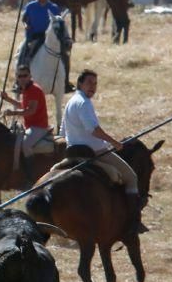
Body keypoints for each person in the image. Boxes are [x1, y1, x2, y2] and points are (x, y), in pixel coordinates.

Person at [60, 69, 146, 236]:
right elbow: (93, 130)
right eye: (89, 83)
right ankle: (133, 222)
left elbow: (63, 132)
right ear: (80, 83)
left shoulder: (71, 102)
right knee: (131, 177)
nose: (93, 87)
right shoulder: (84, 103)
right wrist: (115, 143)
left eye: (95, 83)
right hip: (94, 152)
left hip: (73, 152)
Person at [1, 65, 51, 185]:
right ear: (17, 78)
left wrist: (12, 112)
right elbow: (23, 106)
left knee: (25, 144)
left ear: (30, 76)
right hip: (30, 126)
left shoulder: (34, 90)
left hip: (39, 127)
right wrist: (7, 99)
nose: (22, 78)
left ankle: (31, 175)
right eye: (19, 76)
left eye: (25, 75)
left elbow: (30, 111)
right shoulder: (26, 90)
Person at [16, 0, 60, 69]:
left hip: (48, 36)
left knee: (63, 54)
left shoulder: (54, 7)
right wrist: (26, 25)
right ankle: (21, 70)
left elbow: (58, 21)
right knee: (23, 52)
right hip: (33, 36)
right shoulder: (30, 6)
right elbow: (24, 19)